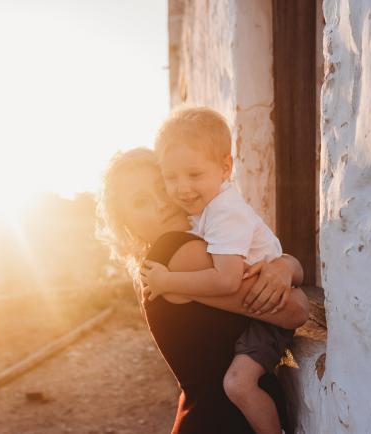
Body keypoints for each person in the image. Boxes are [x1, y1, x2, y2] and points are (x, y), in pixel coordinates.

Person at [96, 147, 309, 433]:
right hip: (223, 422)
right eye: (141, 201)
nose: (161, 203)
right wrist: (287, 267)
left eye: (162, 187)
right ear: (126, 224)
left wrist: (286, 265)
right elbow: (295, 310)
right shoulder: (178, 253)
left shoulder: (183, 250)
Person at [140, 107, 293, 434]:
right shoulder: (206, 211)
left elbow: (226, 279)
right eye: (171, 177)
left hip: (265, 319)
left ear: (226, 167)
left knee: (238, 383)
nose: (182, 188)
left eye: (194, 175)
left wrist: (168, 281)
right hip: (251, 312)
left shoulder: (225, 212)